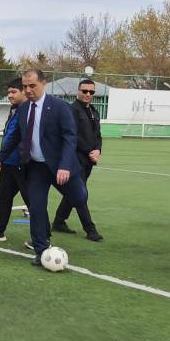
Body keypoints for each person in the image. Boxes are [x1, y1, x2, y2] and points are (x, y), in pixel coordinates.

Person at [0, 69, 96, 267]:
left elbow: (69, 137)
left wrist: (65, 165)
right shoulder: (23, 109)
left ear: (43, 83)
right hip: (36, 168)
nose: (28, 90)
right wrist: (1, 157)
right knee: (37, 207)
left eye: (33, 86)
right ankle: (41, 250)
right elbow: (15, 137)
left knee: (79, 198)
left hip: (60, 167)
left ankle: (66, 211)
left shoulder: (59, 107)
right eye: (25, 86)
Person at [52, 79, 104, 241]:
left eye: (91, 92)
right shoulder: (71, 110)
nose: (88, 94)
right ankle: (90, 229)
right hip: (74, 159)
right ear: (78, 91)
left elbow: (97, 135)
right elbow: (71, 135)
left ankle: (59, 221)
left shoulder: (94, 112)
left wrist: (97, 150)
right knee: (81, 193)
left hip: (89, 159)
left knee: (74, 192)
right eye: (84, 91)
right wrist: (89, 150)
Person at [0, 79, 30, 242]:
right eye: (8, 92)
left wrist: (1, 155)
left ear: (24, 91)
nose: (9, 95)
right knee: (3, 197)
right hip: (9, 162)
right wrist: (2, 157)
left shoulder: (29, 111)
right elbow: (8, 136)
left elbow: (18, 137)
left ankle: (43, 237)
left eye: (13, 92)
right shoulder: (14, 110)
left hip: (24, 164)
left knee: (32, 200)